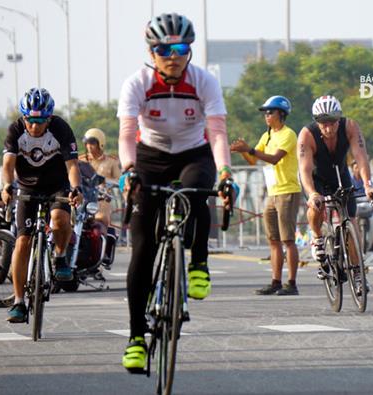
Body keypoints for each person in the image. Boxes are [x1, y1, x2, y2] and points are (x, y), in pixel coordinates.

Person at [117, 13, 234, 372]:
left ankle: (199, 262)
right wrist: (129, 171)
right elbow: (126, 133)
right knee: (142, 249)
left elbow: (216, 131)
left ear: (190, 51)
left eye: (181, 48)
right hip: (150, 156)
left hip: (192, 152)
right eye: (163, 49)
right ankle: (136, 338)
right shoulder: (136, 83)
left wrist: (226, 171)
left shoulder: (204, 82)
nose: (173, 55)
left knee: (196, 190)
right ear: (152, 52)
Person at [0, 87, 83, 323]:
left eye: (41, 121)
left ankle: (60, 256)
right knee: (23, 241)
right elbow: (7, 165)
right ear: (23, 117)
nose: (35, 127)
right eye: (30, 120)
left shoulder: (60, 128)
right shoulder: (16, 129)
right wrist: (7, 186)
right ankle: (18, 302)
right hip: (27, 187)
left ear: (49, 118)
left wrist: (76, 189)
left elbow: (73, 165)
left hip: (56, 185)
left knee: (60, 219)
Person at [297, 95, 373, 282]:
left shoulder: (350, 127)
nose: (329, 128)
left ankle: (357, 271)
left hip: (340, 176)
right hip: (315, 179)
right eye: (323, 123)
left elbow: (361, 157)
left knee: (351, 221)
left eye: (332, 122)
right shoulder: (307, 135)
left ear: (339, 119)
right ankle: (317, 239)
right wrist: (312, 194)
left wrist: (367, 184)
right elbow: (305, 171)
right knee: (316, 206)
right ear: (317, 122)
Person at [230, 95, 302, 296]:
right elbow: (253, 161)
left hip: (287, 191)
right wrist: (243, 151)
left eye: (270, 112)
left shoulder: (288, 135)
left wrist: (250, 149)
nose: (267, 116)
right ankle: (276, 281)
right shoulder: (267, 135)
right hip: (272, 193)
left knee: (288, 240)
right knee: (273, 239)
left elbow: (273, 159)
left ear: (281, 114)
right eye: (265, 113)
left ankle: (292, 283)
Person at [78, 128, 121, 229]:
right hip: (82, 200)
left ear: (100, 143)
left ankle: (104, 241)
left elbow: (119, 181)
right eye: (87, 143)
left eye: (92, 143)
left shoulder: (112, 161)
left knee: (101, 221)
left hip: (102, 200)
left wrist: (105, 182)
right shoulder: (80, 161)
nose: (89, 146)